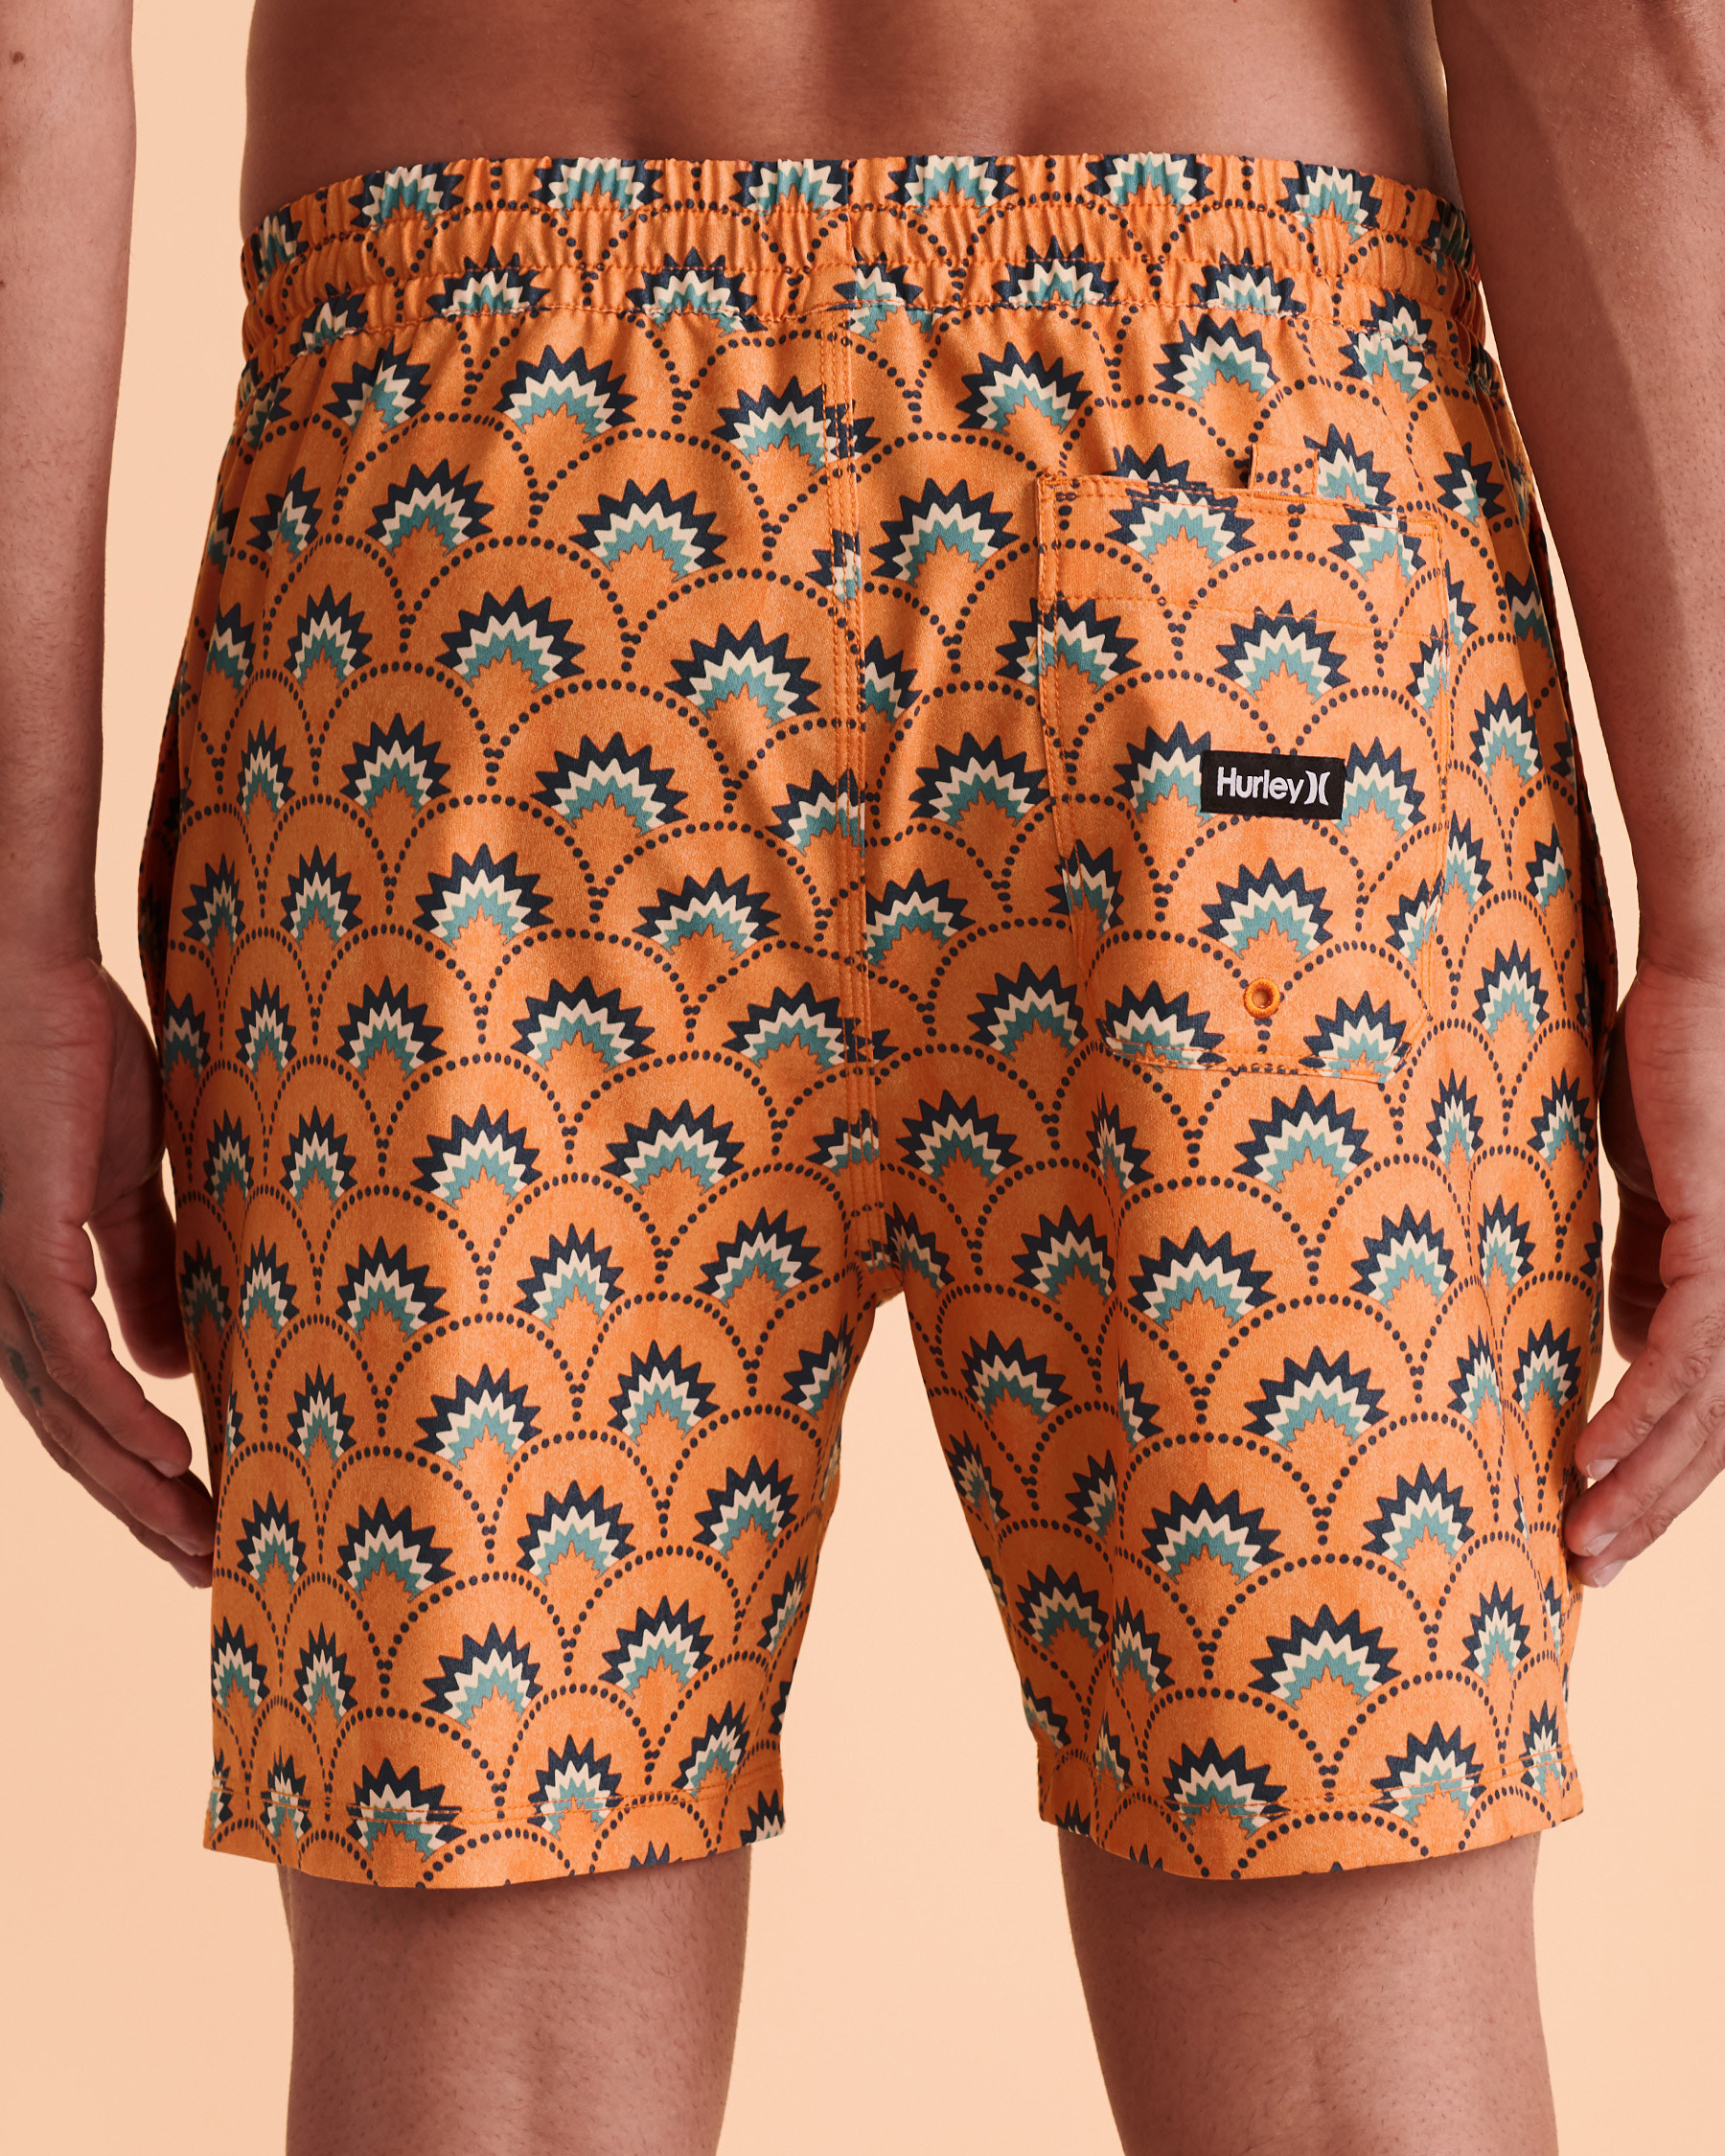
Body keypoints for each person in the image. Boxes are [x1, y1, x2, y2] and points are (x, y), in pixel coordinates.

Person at [2, 0, 1720, 2148]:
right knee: (1358, 2084)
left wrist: (16, 932)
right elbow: (1627, 40)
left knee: (489, 2085)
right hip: (1234, 541)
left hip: (491, 561)